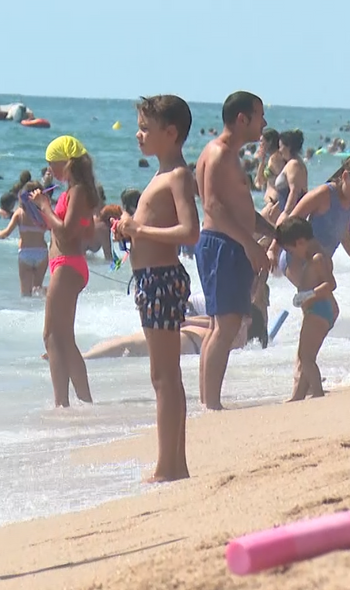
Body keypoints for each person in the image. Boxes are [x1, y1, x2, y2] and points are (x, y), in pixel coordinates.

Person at [113, 94, 200, 482]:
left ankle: (169, 466)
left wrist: (139, 229)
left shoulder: (177, 175)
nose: (138, 134)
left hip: (162, 279)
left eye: (146, 128)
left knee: (164, 377)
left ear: (171, 132)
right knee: (165, 376)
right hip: (152, 279)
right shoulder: (160, 174)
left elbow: (190, 232)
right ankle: (174, 463)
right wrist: (128, 231)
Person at [195, 91, 273, 411]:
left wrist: (273, 231)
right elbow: (213, 206)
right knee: (225, 327)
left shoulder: (230, 155)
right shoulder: (219, 153)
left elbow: (241, 210)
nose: (264, 123)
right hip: (222, 244)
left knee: (219, 327)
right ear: (242, 119)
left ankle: (208, 402)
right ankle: (211, 405)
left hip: (229, 242)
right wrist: (250, 245)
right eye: (260, 116)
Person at [29, 135, 100, 407]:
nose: (50, 171)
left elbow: (67, 232)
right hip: (69, 265)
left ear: (65, 162)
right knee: (64, 339)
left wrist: (46, 207)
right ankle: (83, 401)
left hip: (67, 265)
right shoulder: (78, 190)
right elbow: (87, 232)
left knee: (52, 336)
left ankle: (62, 403)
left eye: (52, 165)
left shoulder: (77, 191)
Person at [269, 154, 350, 288]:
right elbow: (289, 223)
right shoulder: (324, 194)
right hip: (296, 260)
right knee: (315, 303)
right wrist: (273, 250)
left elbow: (345, 237)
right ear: (345, 176)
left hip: (321, 262)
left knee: (324, 304)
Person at [275, 218, 337, 401]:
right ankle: (299, 395)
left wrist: (308, 295)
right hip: (316, 309)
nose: (292, 255)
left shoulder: (317, 258)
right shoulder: (313, 257)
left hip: (318, 309)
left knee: (305, 357)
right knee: (306, 355)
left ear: (301, 242)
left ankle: (317, 391)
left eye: (291, 250)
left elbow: (331, 284)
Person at [82, 304, 268, 359]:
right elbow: (210, 321)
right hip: (186, 337)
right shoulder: (227, 326)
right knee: (125, 342)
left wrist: (244, 321)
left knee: (128, 344)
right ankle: (85, 356)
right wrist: (184, 321)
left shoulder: (239, 334)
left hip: (188, 342)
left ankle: (85, 357)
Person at [0, 181, 50, 297]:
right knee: (37, 289)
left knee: (25, 293)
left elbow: (5, 234)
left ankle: (26, 313)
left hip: (25, 253)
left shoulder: (19, 213)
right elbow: (53, 229)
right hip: (42, 253)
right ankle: (43, 303)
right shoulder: (44, 214)